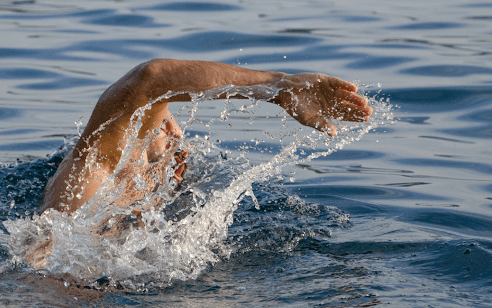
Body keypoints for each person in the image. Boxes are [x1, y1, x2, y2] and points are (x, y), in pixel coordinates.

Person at [41, 59, 372, 215]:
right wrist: (279, 86)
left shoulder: (136, 202)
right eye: (161, 122)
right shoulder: (93, 171)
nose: (173, 131)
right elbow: (151, 78)